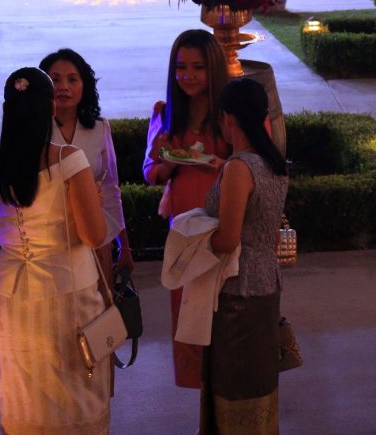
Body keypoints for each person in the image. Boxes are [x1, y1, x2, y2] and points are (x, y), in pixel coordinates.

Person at [0, 67, 110, 434]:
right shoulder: (69, 160)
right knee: (75, 386)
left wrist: (12, 231)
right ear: (50, 109)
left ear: (7, 109)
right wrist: (93, 202)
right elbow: (93, 235)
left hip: (11, 291)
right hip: (69, 289)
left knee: (24, 387)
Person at [200, 78, 289, 434]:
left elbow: (227, 239)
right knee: (259, 381)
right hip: (267, 284)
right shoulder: (273, 163)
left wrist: (192, 239)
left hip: (238, 290)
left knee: (234, 383)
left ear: (228, 118)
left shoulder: (240, 167)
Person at [143, 29, 231, 388]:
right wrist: (168, 163)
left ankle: (228, 401)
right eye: (181, 67)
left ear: (214, 69)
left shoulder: (231, 113)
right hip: (183, 233)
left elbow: (259, 165)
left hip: (224, 228)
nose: (188, 75)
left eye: (198, 67)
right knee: (188, 315)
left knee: (225, 316)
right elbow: (151, 172)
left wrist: (222, 165)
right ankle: (203, 403)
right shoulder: (166, 114)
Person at [39, 48, 132, 276]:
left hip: (94, 235)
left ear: (84, 85)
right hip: (49, 240)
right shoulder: (35, 131)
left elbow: (111, 187)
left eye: (72, 79)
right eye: (55, 79)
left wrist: (124, 245)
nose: (63, 87)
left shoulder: (99, 128)